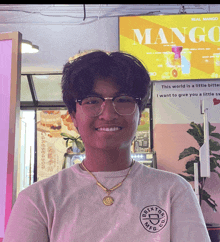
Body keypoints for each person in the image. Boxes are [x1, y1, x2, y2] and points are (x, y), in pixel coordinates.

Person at [4, 50, 210, 242]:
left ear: (140, 115)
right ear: (74, 116)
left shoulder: (173, 191)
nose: (109, 114)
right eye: (92, 101)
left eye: (123, 99)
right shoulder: (39, 199)